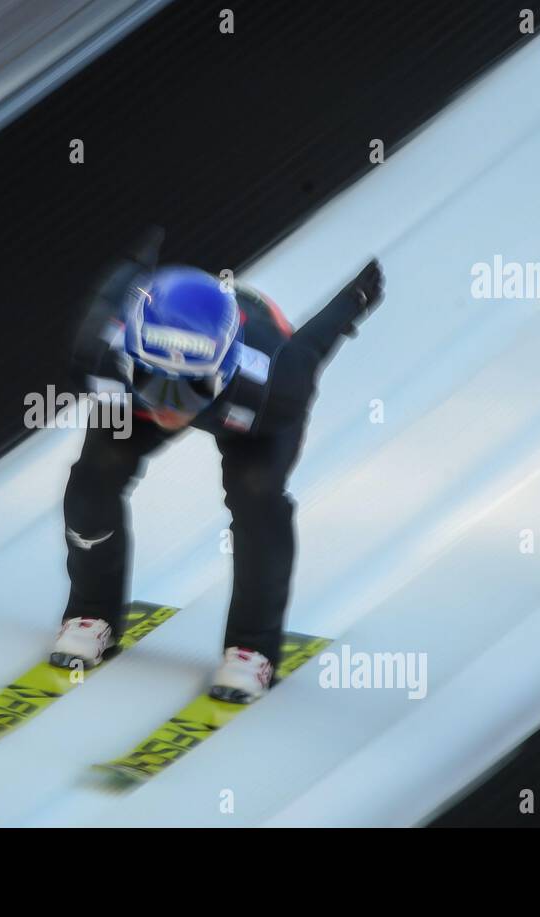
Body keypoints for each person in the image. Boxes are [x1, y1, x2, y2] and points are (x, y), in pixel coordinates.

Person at [52, 230, 385, 703]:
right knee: (95, 474)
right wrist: (141, 247)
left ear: (226, 369)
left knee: (257, 497)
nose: (170, 406)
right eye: (153, 377)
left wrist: (353, 302)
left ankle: (252, 647)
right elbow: (123, 274)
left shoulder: (272, 385)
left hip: (240, 408)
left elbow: (313, 342)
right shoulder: (98, 352)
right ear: (128, 354)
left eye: (190, 389)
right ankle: (91, 611)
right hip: (149, 401)